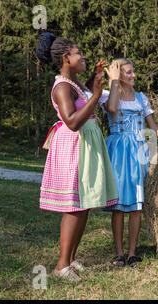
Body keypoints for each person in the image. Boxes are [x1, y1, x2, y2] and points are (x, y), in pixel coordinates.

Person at [36, 32, 118, 281]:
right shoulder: (62, 87)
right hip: (74, 147)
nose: (83, 55)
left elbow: (84, 100)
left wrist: (93, 78)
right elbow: (72, 121)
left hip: (86, 145)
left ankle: (71, 259)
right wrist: (96, 93)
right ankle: (61, 265)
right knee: (73, 207)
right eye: (78, 53)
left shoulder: (74, 84)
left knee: (84, 205)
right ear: (65, 58)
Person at [100, 58, 158, 268]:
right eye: (128, 73)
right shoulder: (108, 95)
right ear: (118, 75)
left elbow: (154, 127)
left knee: (136, 204)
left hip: (139, 148)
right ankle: (119, 252)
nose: (133, 76)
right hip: (119, 149)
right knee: (119, 206)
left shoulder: (141, 97)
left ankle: (132, 253)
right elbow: (111, 109)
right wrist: (112, 82)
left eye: (133, 72)